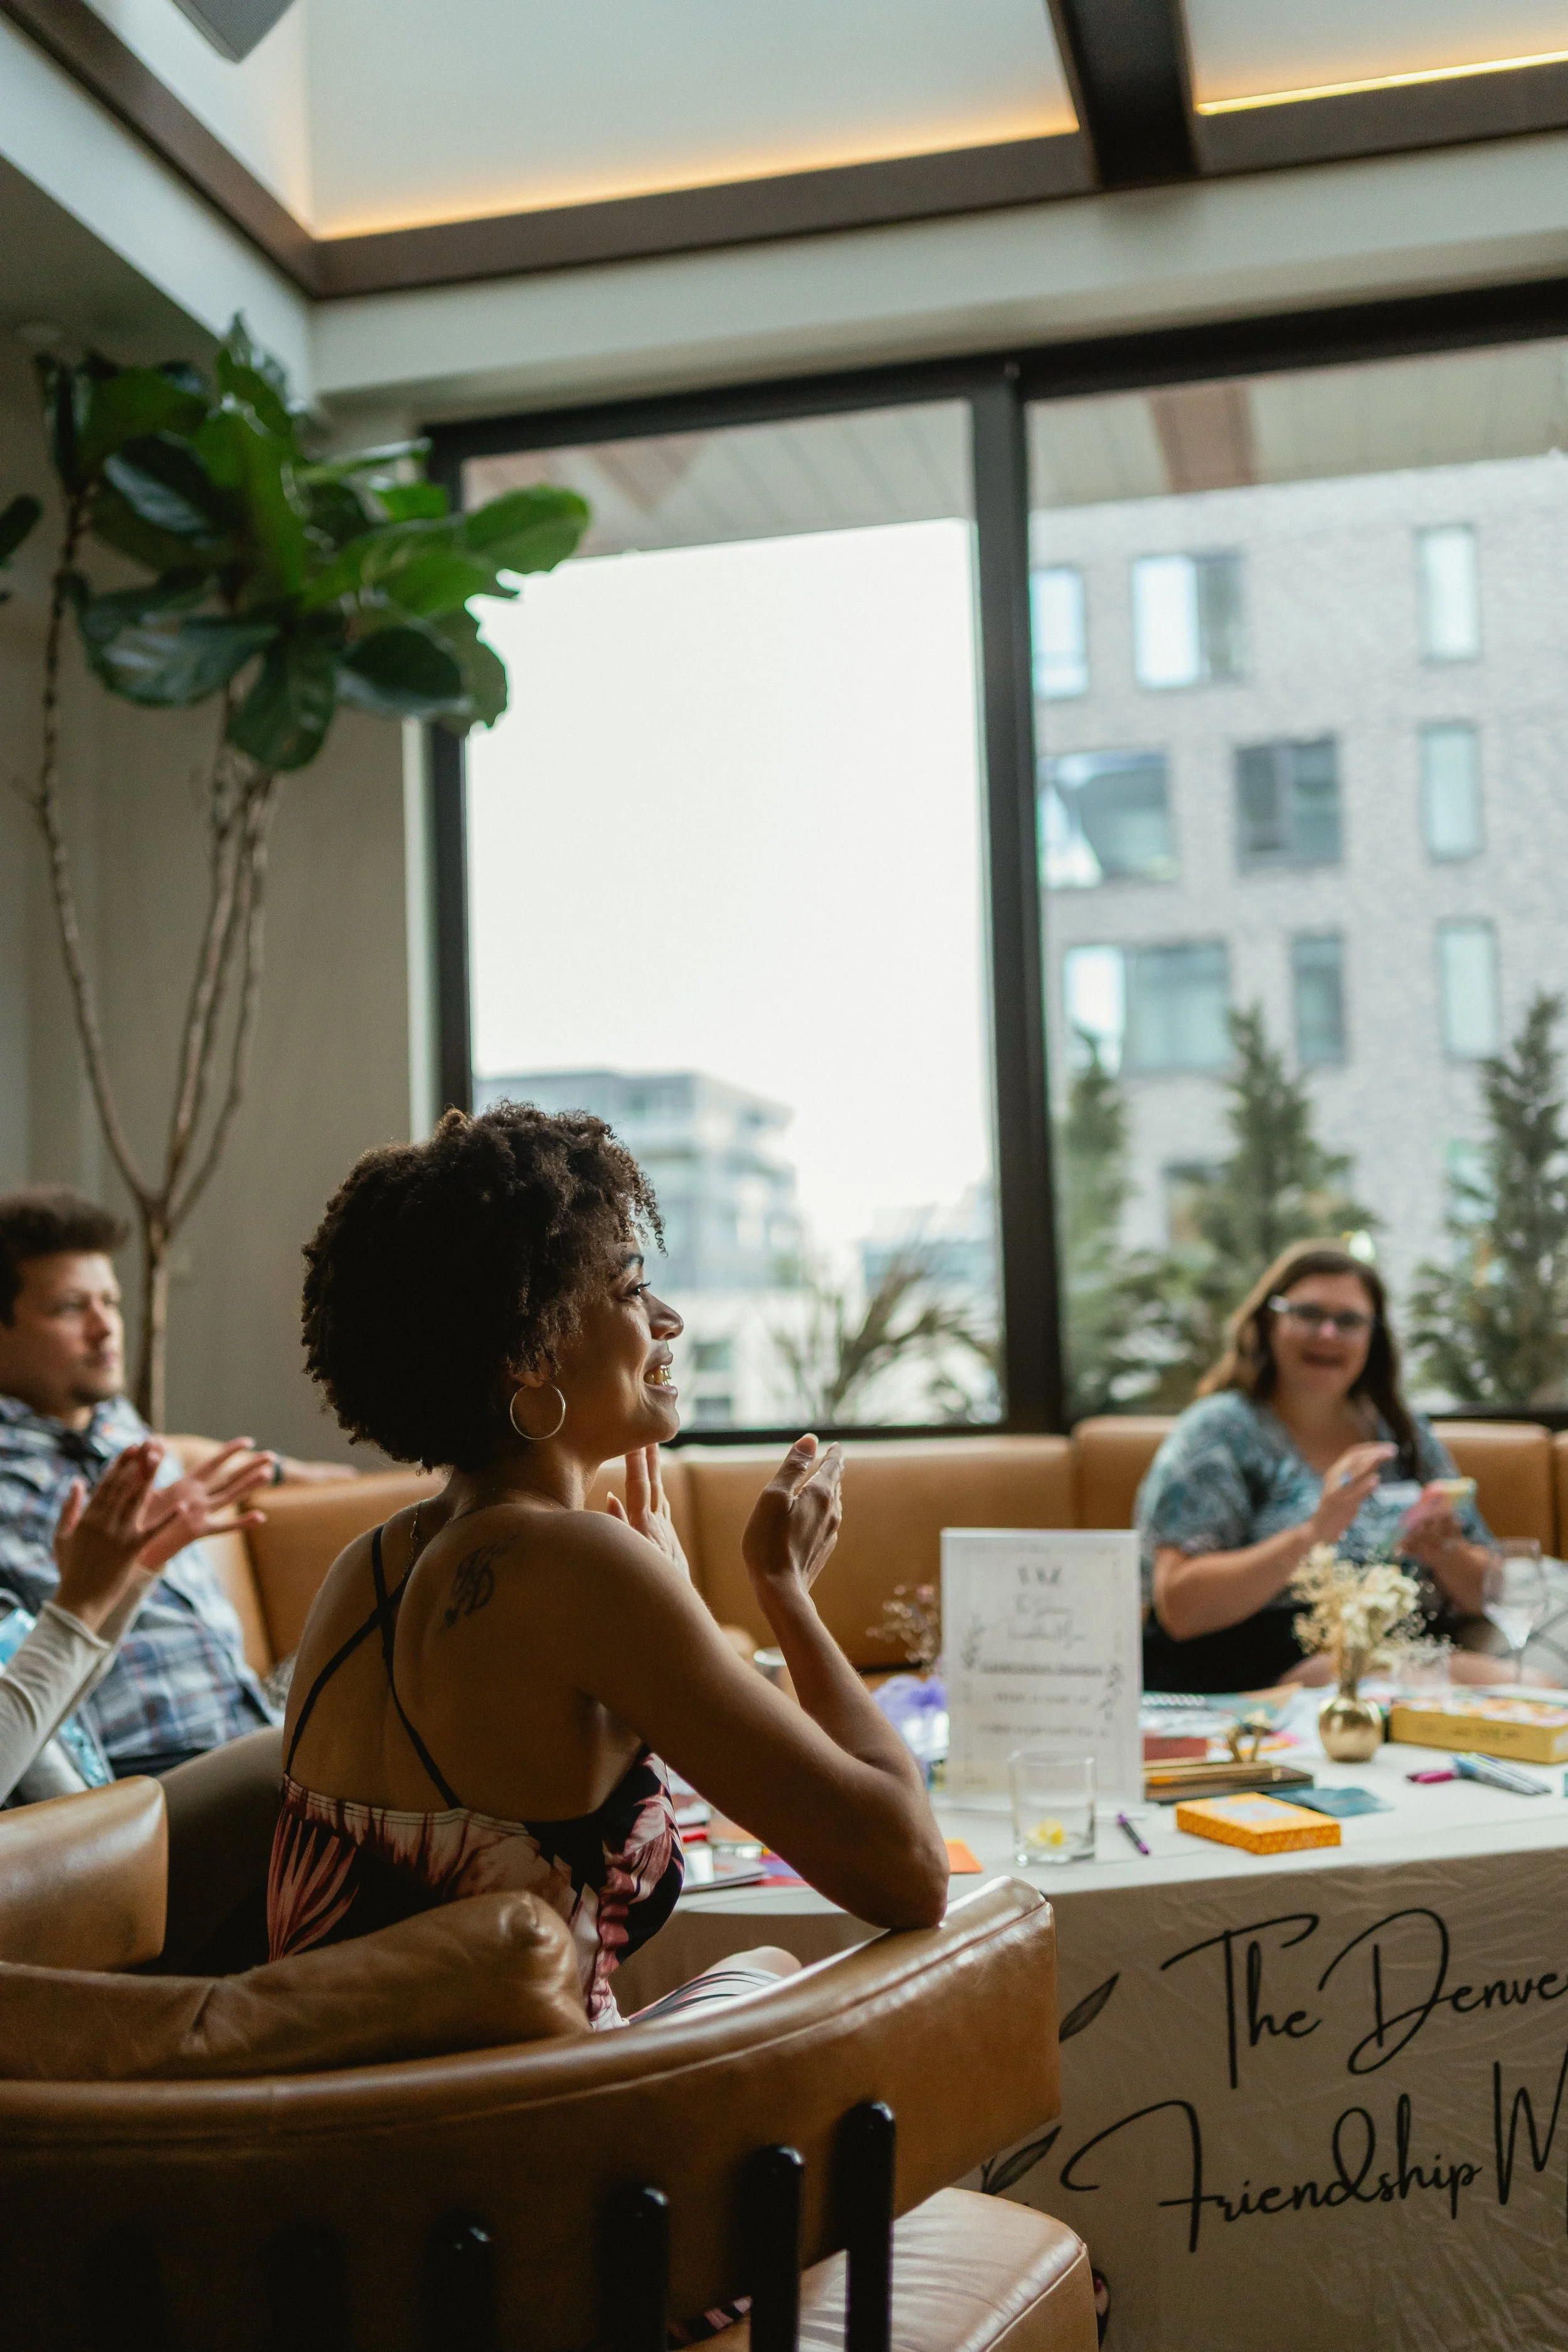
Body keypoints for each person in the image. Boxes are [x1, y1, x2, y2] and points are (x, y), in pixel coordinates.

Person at [270, 1104, 948, 2028]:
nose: (667, 1319)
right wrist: (784, 1592)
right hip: (532, 2146)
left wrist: (665, 1606)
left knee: (765, 1960)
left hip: (354, 2144)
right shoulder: (577, 1566)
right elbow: (908, 1869)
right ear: (529, 1353)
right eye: (631, 1289)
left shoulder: (364, 1568)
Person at [0, 1187, 351, 1781]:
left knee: (404, 1631)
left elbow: (185, 1449)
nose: (106, 1327)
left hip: (251, 1717)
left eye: (109, 1301)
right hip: (151, 1766)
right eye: (69, 1308)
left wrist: (285, 1471)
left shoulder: (117, 1428)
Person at [1138, 1240, 1499, 1693]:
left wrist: (1448, 1555)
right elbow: (1179, 1610)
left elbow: (1493, 1597)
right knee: (1375, 1681)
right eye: (1308, 1314)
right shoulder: (1219, 1433)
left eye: (1349, 1321)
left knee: (1533, 1687)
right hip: (1254, 1673)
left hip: (1398, 1658)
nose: (1327, 1334)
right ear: (1270, 1322)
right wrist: (1313, 1534)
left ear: (1373, 1337)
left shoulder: (1403, 1434)